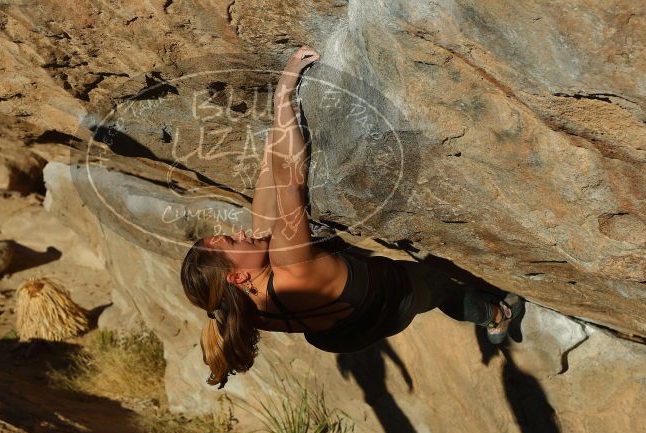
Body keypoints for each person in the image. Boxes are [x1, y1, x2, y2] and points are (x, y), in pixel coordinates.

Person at [180, 46, 524, 389]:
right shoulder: (287, 262)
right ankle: (498, 316)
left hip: (338, 333)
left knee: (296, 236)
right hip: (388, 303)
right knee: (438, 288)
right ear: (238, 276)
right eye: (230, 242)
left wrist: (277, 128)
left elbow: (271, 171)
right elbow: (290, 179)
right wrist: (283, 96)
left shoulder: (241, 307)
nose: (238, 234)